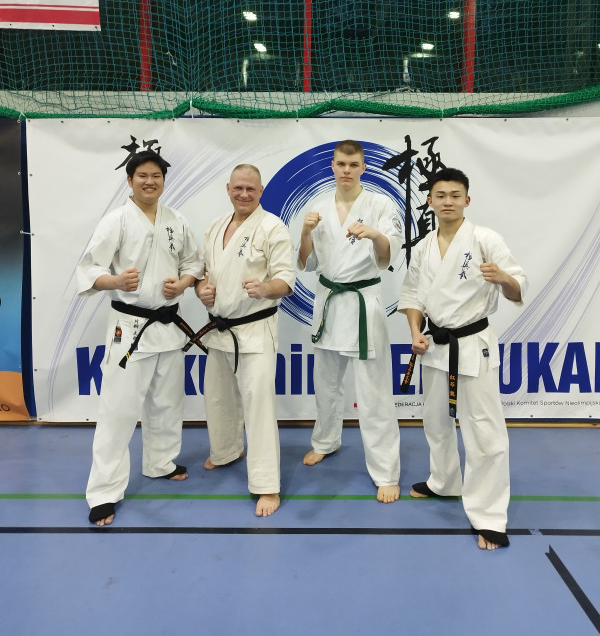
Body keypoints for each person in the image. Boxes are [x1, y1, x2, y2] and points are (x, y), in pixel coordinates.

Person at [397, 166, 527, 550]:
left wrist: (503, 279)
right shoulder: (423, 246)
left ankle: (489, 515)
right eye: (441, 195)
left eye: (455, 195)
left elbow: (518, 287)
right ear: (430, 201)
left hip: (472, 345)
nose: (448, 202)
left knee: (484, 431)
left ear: (467, 200)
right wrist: (415, 332)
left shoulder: (486, 239)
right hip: (435, 344)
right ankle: (444, 482)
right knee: (436, 421)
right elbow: (412, 295)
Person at [77, 150, 203, 526]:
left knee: (167, 402)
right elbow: (89, 268)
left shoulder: (176, 220)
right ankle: (103, 492)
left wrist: (183, 282)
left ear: (164, 180)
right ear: (129, 180)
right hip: (129, 328)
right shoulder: (116, 220)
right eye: (143, 176)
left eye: (156, 176)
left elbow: (193, 262)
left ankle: (160, 463)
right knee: (118, 411)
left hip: (168, 325)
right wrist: (115, 281)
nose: (150, 182)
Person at [298, 140, 401, 503]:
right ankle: (325, 441)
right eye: (341, 163)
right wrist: (305, 233)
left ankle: (386, 471)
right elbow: (306, 262)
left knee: (373, 391)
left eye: (353, 164)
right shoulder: (318, 206)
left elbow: (388, 255)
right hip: (328, 301)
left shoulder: (380, 205)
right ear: (332, 165)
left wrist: (375, 234)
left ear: (363, 168)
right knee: (325, 383)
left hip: (362, 303)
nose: (346, 170)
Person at [195, 164, 295, 517]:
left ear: (261, 190)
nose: (244, 194)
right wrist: (201, 289)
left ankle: (267, 485)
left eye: (251, 188)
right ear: (228, 188)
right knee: (218, 398)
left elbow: (286, 280)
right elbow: (203, 273)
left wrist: (265, 288)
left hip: (254, 332)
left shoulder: (272, 227)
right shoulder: (215, 226)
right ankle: (226, 451)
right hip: (219, 330)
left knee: (258, 408)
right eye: (238, 188)